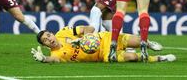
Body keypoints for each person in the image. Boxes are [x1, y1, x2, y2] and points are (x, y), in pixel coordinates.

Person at [31, 25, 175, 63]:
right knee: (131, 57)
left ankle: (148, 44)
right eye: (45, 40)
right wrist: (43, 59)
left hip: (104, 38)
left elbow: (90, 29)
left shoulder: (63, 33)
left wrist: (84, 39)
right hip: (103, 54)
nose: (49, 39)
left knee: (137, 41)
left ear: (51, 33)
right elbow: (53, 60)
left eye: (48, 35)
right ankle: (159, 58)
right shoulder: (56, 55)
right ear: (45, 46)